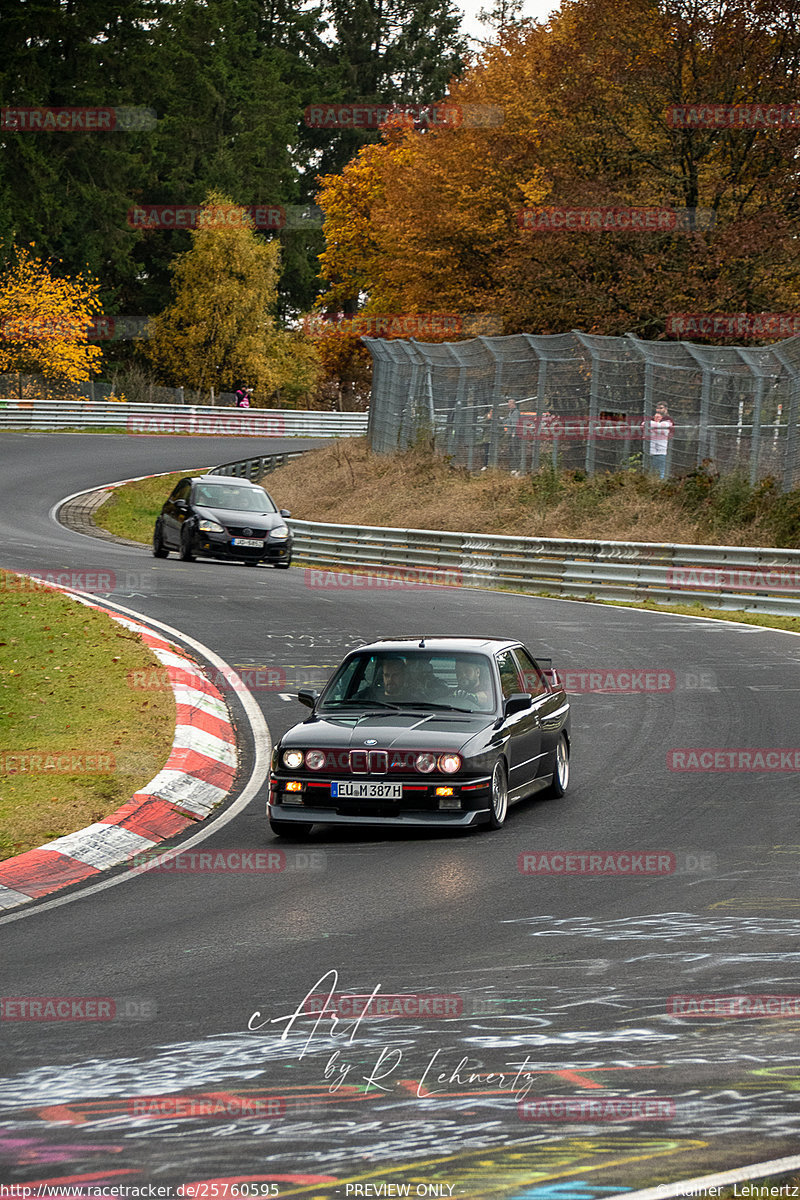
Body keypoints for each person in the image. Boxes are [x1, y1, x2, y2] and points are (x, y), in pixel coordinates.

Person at [648, 402, 674, 479]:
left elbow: (663, 427)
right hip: (650, 450)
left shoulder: (668, 420)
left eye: (661, 408)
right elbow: (644, 424)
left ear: (665, 409)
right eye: (657, 408)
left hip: (660, 450)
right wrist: (656, 425)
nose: (658, 410)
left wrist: (655, 426)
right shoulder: (653, 418)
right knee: (649, 471)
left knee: (660, 472)